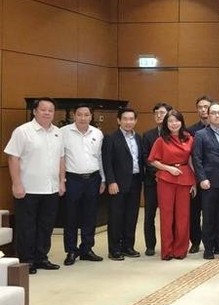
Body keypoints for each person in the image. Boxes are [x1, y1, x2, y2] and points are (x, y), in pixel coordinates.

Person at [4, 97, 65, 274]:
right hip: (28, 188)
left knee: (46, 225)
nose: (47, 113)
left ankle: (41, 257)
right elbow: (13, 157)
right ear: (35, 111)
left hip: (51, 188)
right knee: (26, 225)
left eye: (50, 110)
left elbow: (61, 158)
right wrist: (16, 184)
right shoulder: (23, 131)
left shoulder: (57, 132)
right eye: (43, 109)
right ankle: (27, 260)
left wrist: (61, 181)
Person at [148, 109, 196, 260]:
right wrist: (168, 168)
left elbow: (192, 160)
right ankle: (167, 250)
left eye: (176, 121)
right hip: (166, 178)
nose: (173, 124)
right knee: (166, 215)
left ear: (181, 122)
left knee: (183, 216)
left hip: (185, 177)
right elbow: (153, 160)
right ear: (166, 124)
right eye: (170, 121)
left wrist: (194, 182)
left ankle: (180, 250)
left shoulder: (189, 139)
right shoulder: (161, 140)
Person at [61, 104, 105, 266]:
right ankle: (71, 250)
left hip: (93, 179)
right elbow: (60, 158)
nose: (83, 117)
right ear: (74, 115)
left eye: (86, 115)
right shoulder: (64, 132)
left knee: (90, 215)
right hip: (72, 179)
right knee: (71, 216)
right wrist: (62, 180)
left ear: (91, 116)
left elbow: (100, 157)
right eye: (79, 114)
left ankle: (87, 248)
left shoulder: (97, 133)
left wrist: (103, 179)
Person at [192, 103, 219, 260]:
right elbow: (196, 159)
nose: (217, 115)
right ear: (208, 116)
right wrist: (202, 178)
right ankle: (209, 247)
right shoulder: (201, 135)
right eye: (213, 113)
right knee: (209, 215)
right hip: (209, 182)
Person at [102, 108, 144, 261]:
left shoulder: (138, 138)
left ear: (135, 121)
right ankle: (114, 249)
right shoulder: (111, 138)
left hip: (135, 181)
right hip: (117, 183)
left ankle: (128, 246)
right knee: (116, 217)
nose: (128, 122)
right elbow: (107, 162)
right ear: (119, 120)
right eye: (125, 119)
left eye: (131, 119)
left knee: (131, 216)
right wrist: (111, 181)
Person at [142, 102, 171, 256]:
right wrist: (160, 173)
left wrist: (166, 174)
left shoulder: (175, 134)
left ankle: (170, 243)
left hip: (171, 182)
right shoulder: (148, 135)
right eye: (156, 113)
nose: (159, 116)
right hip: (152, 181)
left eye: (162, 113)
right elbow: (146, 158)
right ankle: (150, 245)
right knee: (149, 215)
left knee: (170, 214)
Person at [187, 95, 212, 254]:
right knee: (194, 212)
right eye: (200, 107)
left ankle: (212, 241)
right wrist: (195, 178)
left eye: (206, 107)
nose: (203, 110)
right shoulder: (190, 131)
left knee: (211, 212)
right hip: (196, 178)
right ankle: (195, 241)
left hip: (214, 178)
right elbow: (189, 156)